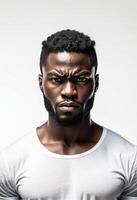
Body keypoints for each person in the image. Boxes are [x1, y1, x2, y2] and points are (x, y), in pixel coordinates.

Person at [0, 29, 137, 200]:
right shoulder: (11, 160)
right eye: (57, 79)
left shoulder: (129, 158)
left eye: (81, 79)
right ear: (41, 83)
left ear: (96, 83)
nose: (69, 91)